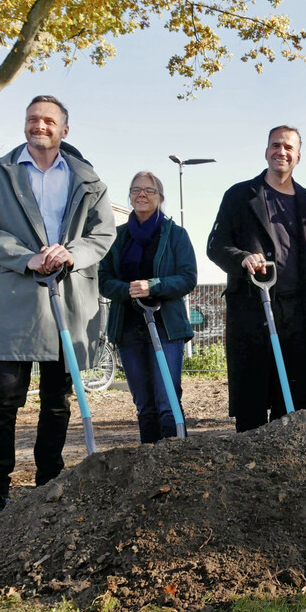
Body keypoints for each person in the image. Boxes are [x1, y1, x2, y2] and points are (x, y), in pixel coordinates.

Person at [0, 95, 116, 516]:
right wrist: (25, 257)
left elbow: (102, 234)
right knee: (4, 398)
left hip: (66, 300)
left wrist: (72, 253)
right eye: (33, 119)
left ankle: (49, 480)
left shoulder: (88, 180)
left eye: (50, 121)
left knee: (57, 398)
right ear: (25, 125)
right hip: (17, 298)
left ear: (64, 130)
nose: (40, 126)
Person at [207, 126, 306, 431]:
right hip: (253, 309)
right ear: (266, 152)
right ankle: (250, 465)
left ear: (298, 157)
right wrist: (241, 258)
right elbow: (216, 246)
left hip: (299, 313)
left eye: (289, 147)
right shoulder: (240, 196)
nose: (282, 152)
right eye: (276, 145)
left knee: (297, 398)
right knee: (252, 397)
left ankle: (292, 463)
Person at [98, 172, 197, 443]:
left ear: (160, 198)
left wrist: (153, 286)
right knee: (144, 405)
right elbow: (104, 280)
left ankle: (178, 462)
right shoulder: (117, 238)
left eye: (149, 190)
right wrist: (129, 291)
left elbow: (188, 278)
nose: (142, 194)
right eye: (136, 189)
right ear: (130, 196)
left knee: (167, 401)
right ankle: (150, 467)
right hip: (129, 328)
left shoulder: (175, 235)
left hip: (166, 327)